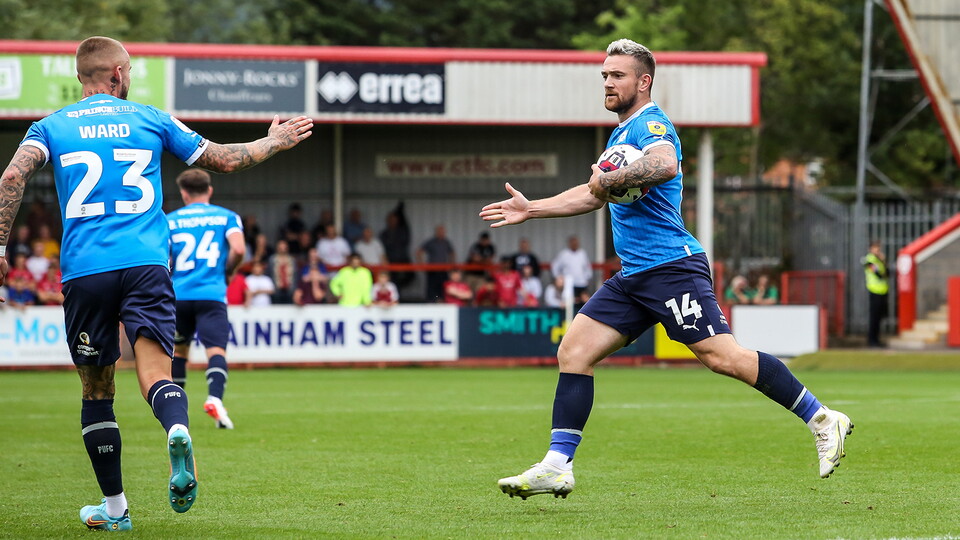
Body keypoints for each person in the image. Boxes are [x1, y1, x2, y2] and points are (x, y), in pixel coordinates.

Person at [480, 38, 852, 501]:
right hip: (634, 276)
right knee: (574, 352)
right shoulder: (620, 135)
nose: (608, 82)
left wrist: (608, 179)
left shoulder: (652, 124)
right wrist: (532, 208)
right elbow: (593, 195)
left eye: (617, 75)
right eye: (604, 75)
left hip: (671, 268)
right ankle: (557, 465)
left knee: (723, 357)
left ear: (644, 81)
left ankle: (822, 418)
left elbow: (663, 163)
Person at [0, 36, 313, 529]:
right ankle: (176, 429)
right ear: (118, 74)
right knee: (156, 374)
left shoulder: (50, 127)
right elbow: (225, 159)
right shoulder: (151, 118)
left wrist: (0, 248)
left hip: (86, 270)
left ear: (81, 76)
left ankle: (115, 510)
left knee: (97, 391)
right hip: (147, 264)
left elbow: (11, 180)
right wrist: (274, 141)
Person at [167, 168, 246, 431]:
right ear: (209, 190)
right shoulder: (227, 217)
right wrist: (229, 271)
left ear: (184, 193)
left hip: (179, 296)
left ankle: (176, 413)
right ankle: (215, 399)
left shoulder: (170, 221)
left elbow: (163, 258)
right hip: (211, 295)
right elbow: (238, 248)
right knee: (216, 351)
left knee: (179, 351)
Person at [417, 224, 455, 302]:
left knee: (443, 288)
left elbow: (452, 253)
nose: (442, 233)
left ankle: (442, 302)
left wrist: (451, 264)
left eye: (443, 231)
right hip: (432, 270)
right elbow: (419, 252)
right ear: (436, 232)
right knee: (431, 289)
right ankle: (431, 302)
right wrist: (422, 265)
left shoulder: (446, 242)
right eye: (440, 231)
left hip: (443, 270)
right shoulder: (431, 242)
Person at [862, 241, 888, 347]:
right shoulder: (869, 260)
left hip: (882, 291)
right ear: (870, 249)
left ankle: (876, 340)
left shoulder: (879, 260)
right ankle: (872, 340)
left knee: (878, 318)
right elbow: (879, 275)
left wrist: (883, 261)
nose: (877, 251)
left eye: (878, 249)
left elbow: (887, 273)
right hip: (874, 291)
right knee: (874, 317)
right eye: (875, 249)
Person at [268, 239, 297, 304]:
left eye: (284, 247)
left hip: (290, 290)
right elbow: (269, 274)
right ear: (277, 248)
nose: (282, 249)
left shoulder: (292, 260)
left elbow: (295, 275)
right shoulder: (272, 260)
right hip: (276, 290)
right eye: (280, 248)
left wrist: (295, 289)